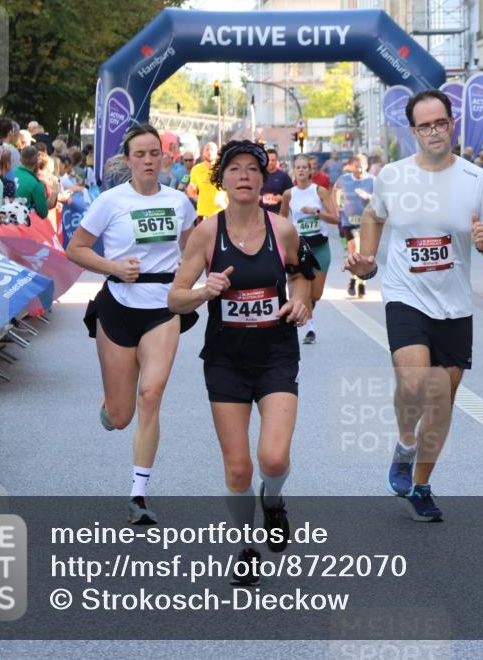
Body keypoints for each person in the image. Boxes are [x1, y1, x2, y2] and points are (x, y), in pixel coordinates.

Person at [344, 90, 483, 521]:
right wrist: (367, 258)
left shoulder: (477, 180)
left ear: (452, 124)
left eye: (440, 123)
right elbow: (375, 215)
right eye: (424, 126)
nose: (434, 131)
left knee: (442, 400)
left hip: (454, 303)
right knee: (416, 382)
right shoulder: (392, 177)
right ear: (413, 131)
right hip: (405, 294)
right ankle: (405, 441)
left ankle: (421, 485)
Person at [168, 140, 310, 581]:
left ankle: (274, 500)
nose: (244, 175)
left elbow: (302, 276)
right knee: (237, 466)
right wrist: (202, 292)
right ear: (222, 179)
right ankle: (245, 546)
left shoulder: (283, 230)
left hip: (276, 354)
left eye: (253, 169)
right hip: (226, 359)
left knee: (272, 459)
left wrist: (301, 303)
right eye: (235, 169)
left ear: (263, 179)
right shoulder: (206, 234)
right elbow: (175, 299)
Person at [65, 124, 198, 525]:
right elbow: (76, 248)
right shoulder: (110, 201)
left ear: (164, 158)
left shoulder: (179, 202)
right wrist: (113, 267)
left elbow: (193, 251)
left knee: (151, 394)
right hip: (119, 305)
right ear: (128, 159)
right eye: (139, 154)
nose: (147, 160)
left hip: (163, 308)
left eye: (154, 153)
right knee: (122, 416)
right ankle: (110, 406)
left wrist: (193, 282)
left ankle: (138, 495)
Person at [280, 154, 339, 344]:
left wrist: (315, 212)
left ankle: (308, 306)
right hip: (301, 248)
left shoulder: (319, 191)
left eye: (305, 167)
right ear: (294, 171)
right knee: (303, 289)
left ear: (310, 170)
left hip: (320, 246)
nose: (301, 170)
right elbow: (281, 221)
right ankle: (310, 329)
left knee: (316, 294)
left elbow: (335, 218)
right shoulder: (289, 194)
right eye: (298, 167)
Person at [334, 154, 374, 298]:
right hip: (349, 221)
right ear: (352, 166)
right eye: (356, 166)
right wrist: (337, 206)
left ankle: (357, 281)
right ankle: (357, 282)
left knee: (365, 255)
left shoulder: (372, 180)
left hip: (367, 223)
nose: (359, 169)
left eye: (361, 166)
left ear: (366, 166)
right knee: (355, 253)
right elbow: (335, 190)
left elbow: (380, 198)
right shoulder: (344, 179)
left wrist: (367, 196)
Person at [188, 141, 225, 221]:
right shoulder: (196, 169)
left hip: (220, 212)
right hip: (202, 213)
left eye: (212, 150)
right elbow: (192, 193)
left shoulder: (223, 169)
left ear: (217, 153)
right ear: (203, 152)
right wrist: (191, 191)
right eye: (207, 149)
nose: (209, 152)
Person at [14, 145, 49, 219]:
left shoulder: (10, 173)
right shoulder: (36, 184)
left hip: (2, 223)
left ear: (20, 159)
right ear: (36, 162)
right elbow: (43, 213)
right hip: (21, 225)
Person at [259, 148, 292, 216]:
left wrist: (282, 198)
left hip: (278, 213)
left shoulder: (284, 176)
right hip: (260, 213)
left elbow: (293, 195)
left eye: (273, 160)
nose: (270, 162)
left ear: (277, 161)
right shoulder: (258, 175)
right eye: (268, 160)